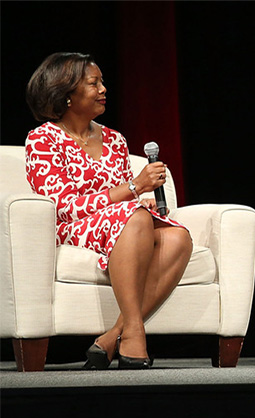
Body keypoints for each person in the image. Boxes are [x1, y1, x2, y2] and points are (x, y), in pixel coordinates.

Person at [24, 52, 193, 370]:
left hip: (121, 222)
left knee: (178, 237)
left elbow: (121, 199)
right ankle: (134, 336)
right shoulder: (43, 140)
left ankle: (115, 334)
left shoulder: (115, 139)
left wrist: (137, 199)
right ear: (67, 94)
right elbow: (63, 208)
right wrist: (133, 190)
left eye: (102, 81)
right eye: (93, 83)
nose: (103, 89)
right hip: (72, 229)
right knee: (136, 217)